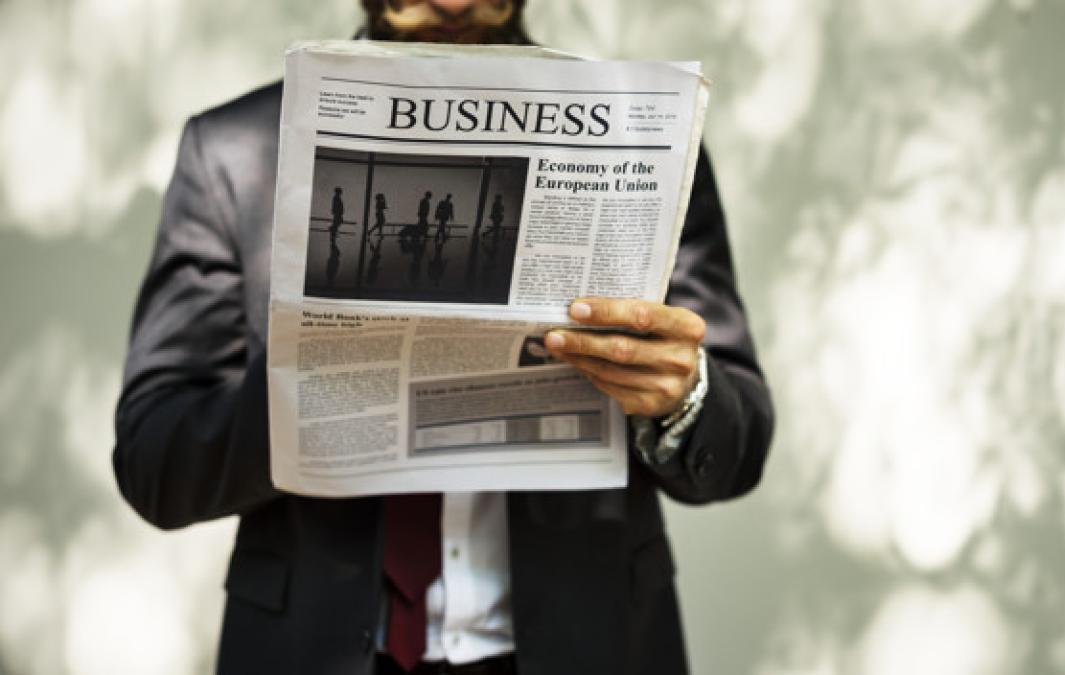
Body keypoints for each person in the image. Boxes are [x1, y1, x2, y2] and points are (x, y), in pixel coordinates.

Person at [112, 1, 773, 674]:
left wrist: (681, 395)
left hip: (584, 643)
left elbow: (741, 442)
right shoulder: (231, 153)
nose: (455, 3)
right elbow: (152, 459)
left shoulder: (646, 143)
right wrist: (305, 384)